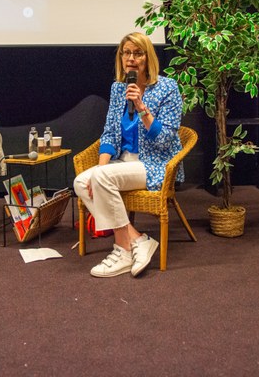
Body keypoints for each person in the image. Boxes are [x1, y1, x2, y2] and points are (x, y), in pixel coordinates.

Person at [73, 32, 183, 278]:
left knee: (101, 178)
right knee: (81, 182)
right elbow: (109, 134)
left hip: (155, 164)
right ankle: (135, 239)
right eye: (126, 53)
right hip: (123, 162)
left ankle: (123, 250)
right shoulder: (118, 89)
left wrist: (142, 107)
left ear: (148, 57)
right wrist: (101, 169)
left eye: (138, 53)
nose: (131, 58)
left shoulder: (168, 88)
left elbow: (166, 140)